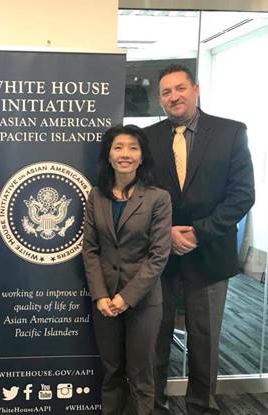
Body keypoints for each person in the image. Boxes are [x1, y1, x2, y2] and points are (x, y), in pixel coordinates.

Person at [144, 64, 255, 414]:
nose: (173, 96)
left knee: (204, 340)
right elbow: (139, 196)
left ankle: (200, 407)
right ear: (160, 99)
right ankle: (153, 404)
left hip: (209, 253)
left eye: (180, 88)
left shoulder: (230, 132)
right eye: (166, 92)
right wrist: (165, 233)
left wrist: (198, 233)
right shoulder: (147, 138)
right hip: (159, 256)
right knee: (155, 337)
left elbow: (242, 195)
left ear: (196, 89)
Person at [83, 124, 172, 415]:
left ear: (142, 156)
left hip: (143, 300)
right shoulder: (96, 196)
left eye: (133, 148)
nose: (125, 154)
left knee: (141, 373)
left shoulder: (158, 198)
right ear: (108, 156)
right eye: (118, 147)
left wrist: (126, 297)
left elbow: (158, 256)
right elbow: (90, 249)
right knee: (111, 372)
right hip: (104, 300)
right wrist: (100, 295)